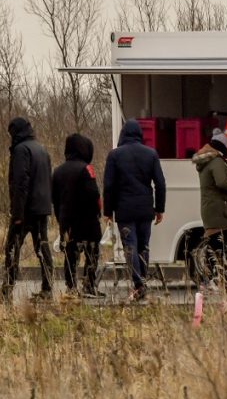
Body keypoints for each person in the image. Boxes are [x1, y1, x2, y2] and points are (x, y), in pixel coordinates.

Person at [0, 117, 53, 303]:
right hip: (42, 209)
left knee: (12, 248)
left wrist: (17, 214)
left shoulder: (21, 150)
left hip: (26, 210)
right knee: (42, 248)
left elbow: (20, 183)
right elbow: (48, 179)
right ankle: (48, 290)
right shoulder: (41, 149)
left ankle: (7, 291)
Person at [103, 119, 167, 302]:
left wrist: (108, 211)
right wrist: (159, 208)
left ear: (123, 134)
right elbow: (160, 184)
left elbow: (108, 186)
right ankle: (142, 282)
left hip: (124, 210)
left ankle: (138, 285)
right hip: (146, 209)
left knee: (130, 247)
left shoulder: (115, 155)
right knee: (143, 246)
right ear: (139, 135)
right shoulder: (151, 154)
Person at [52, 133, 103, 298]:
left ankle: (71, 287)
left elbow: (54, 198)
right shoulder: (86, 169)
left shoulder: (58, 171)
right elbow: (94, 194)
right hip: (88, 222)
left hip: (67, 222)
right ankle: (89, 285)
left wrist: (61, 219)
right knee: (91, 254)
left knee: (70, 256)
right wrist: (98, 212)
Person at [191, 129, 227, 290]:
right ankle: (216, 280)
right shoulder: (217, 161)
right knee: (219, 247)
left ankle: (216, 280)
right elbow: (221, 183)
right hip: (217, 209)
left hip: (211, 208)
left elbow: (216, 182)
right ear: (223, 147)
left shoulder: (207, 161)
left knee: (216, 245)